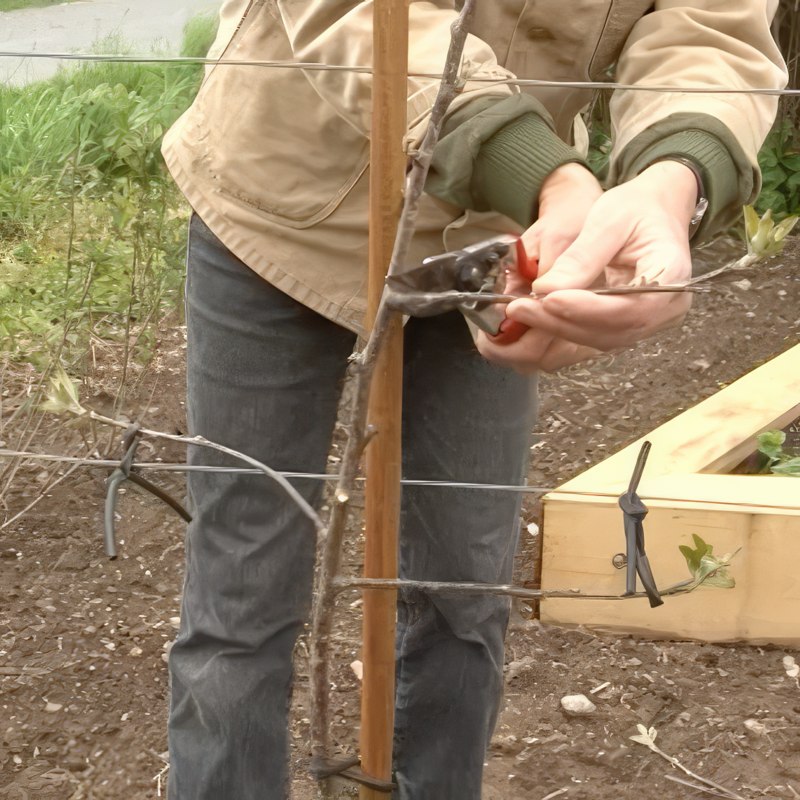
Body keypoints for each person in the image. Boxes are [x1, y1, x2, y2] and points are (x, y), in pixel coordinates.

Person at [161, 2, 786, 798]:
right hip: (284, 208)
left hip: (501, 240)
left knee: (463, 596)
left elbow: (709, 30)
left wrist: (671, 184)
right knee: (242, 593)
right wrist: (545, 172)